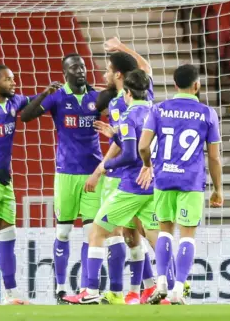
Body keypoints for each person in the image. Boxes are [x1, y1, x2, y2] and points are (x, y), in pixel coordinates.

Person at [20, 53, 116, 304]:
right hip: (65, 174)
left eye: (83, 66)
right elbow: (26, 116)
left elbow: (122, 93)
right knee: (63, 232)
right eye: (74, 67)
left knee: (90, 234)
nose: (81, 70)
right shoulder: (57, 96)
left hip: (93, 175)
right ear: (65, 73)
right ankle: (61, 287)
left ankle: (86, 288)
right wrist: (43, 94)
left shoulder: (96, 98)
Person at [0, 65, 58, 305]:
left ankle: (11, 293)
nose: (13, 82)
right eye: (8, 79)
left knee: (8, 235)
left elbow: (31, 102)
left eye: (13, 78)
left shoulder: (14, 101)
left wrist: (46, 93)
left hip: (4, 180)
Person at [138, 64, 223, 305]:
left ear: (175, 84)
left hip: (164, 179)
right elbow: (214, 157)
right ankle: (178, 289)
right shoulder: (207, 113)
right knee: (187, 237)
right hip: (191, 181)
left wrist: (148, 164)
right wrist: (218, 189)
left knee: (165, 231)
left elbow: (143, 146)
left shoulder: (158, 109)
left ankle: (162, 282)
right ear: (197, 85)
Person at [73, 69, 160, 304]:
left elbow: (131, 154)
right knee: (156, 238)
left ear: (128, 92)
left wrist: (106, 166)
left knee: (97, 231)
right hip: (153, 184)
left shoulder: (128, 115)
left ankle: (90, 291)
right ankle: (168, 289)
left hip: (131, 186)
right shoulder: (156, 111)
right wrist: (116, 135)